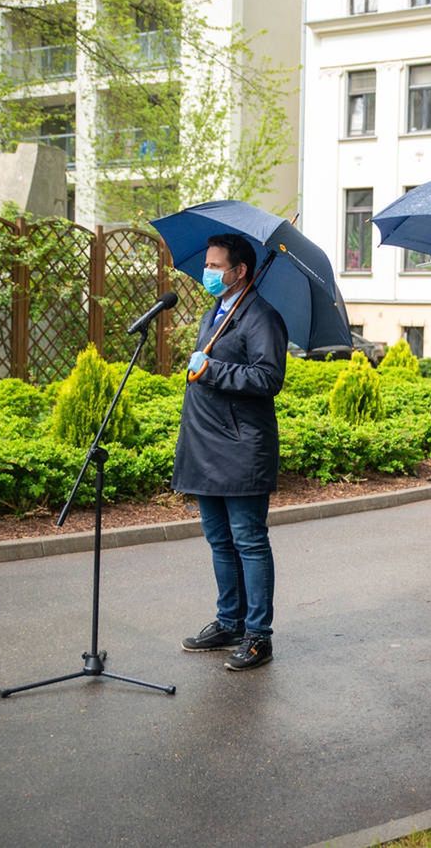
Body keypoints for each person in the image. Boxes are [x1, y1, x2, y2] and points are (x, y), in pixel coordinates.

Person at [173, 233, 288, 671]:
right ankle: (229, 622)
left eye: (217, 267)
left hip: (241, 447)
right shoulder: (213, 314)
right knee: (220, 540)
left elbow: (267, 378)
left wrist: (213, 369)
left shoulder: (262, 317)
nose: (209, 273)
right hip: (205, 445)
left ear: (240, 271)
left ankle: (259, 634)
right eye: (208, 265)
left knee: (249, 541)